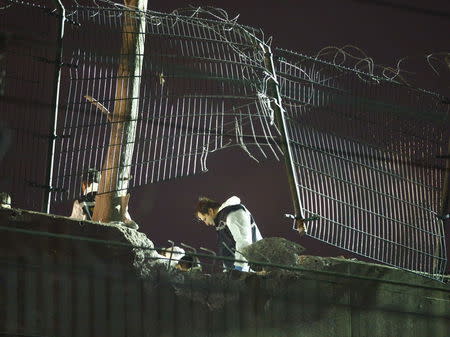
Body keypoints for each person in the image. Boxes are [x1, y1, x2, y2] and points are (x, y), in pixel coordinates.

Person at [195, 196, 262, 272]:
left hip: (250, 270)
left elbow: (243, 242)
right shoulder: (222, 220)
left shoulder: (233, 214)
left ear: (210, 211)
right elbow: (227, 248)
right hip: (239, 269)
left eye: (205, 219)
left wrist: (239, 268)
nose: (206, 223)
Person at [70, 168, 138, 230]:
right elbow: (132, 224)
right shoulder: (114, 197)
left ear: (84, 184)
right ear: (100, 183)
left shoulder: (80, 202)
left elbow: (74, 224)